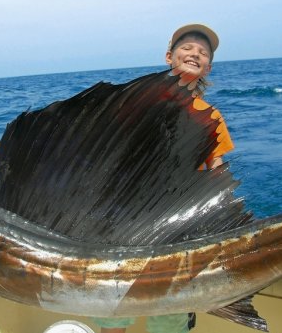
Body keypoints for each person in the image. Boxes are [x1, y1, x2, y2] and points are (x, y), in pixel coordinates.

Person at [92, 23, 234, 333]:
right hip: (125, 223)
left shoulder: (210, 115)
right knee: (114, 313)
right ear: (169, 56)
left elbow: (218, 171)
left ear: (209, 66)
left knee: (169, 321)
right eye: (187, 47)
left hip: (180, 227)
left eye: (203, 52)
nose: (195, 53)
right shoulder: (138, 103)